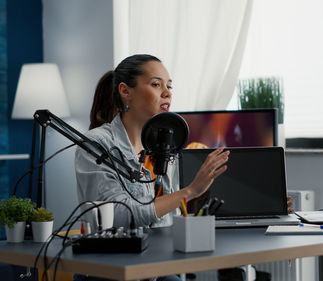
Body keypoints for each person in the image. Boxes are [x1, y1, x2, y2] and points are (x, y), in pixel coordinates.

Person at [74, 54, 229, 281]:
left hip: (155, 267)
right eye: (156, 84)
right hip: (110, 269)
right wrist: (189, 191)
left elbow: (171, 211)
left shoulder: (165, 144)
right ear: (126, 91)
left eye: (169, 86)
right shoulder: (98, 144)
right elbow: (117, 215)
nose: (167, 93)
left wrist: (267, 208)